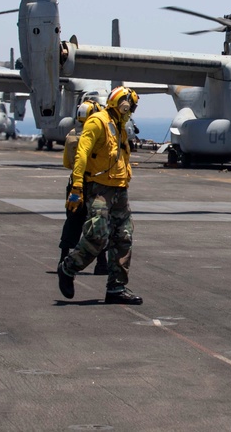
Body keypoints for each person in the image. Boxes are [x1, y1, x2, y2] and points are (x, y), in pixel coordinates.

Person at [57, 86, 142, 305]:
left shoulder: (119, 126)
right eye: (130, 106)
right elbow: (82, 153)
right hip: (99, 188)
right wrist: (77, 186)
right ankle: (68, 268)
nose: (130, 110)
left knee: (123, 237)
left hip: (119, 191)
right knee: (97, 235)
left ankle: (116, 288)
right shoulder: (98, 122)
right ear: (122, 103)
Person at [58, 100, 109, 274]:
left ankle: (63, 258)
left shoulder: (71, 135)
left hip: (74, 184)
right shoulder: (98, 134)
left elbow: (66, 163)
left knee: (72, 221)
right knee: (98, 223)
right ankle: (101, 264)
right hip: (95, 185)